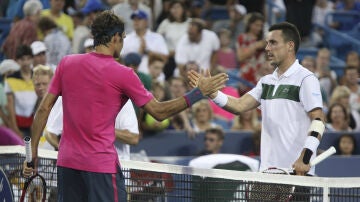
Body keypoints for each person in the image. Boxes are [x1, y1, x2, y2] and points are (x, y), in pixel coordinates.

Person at [23, 11, 227, 202]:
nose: (123, 45)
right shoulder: (125, 74)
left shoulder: (66, 63)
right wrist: (199, 93)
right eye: (123, 39)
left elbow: (43, 109)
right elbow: (159, 112)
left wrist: (31, 156)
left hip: (67, 165)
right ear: (115, 38)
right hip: (101, 169)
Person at [189, 22, 325, 177]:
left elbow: (319, 121)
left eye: (273, 43)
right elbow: (239, 105)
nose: (267, 48)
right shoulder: (266, 81)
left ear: (290, 46)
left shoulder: (306, 78)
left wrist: (305, 158)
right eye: (267, 43)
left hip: (297, 173)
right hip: (268, 172)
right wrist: (212, 93)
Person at [5, 45, 37, 137]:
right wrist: (15, 129)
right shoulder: (10, 79)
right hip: (19, 124)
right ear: (17, 61)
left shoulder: (37, 77)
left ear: (32, 59)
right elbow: (11, 106)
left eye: (28, 58)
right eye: (22, 59)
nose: (26, 62)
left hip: (34, 123)